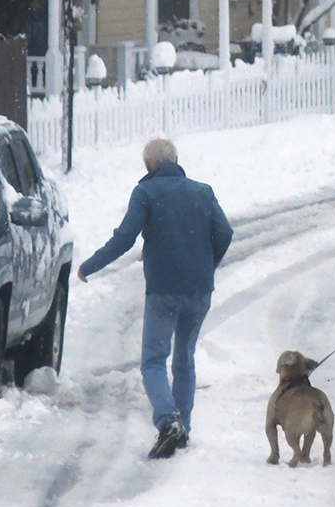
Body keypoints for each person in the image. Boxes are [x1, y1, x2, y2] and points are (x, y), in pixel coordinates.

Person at [80, 136, 234, 459]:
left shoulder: (145, 192)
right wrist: (207, 265)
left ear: (149, 166)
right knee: (184, 359)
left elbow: (124, 239)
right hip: (199, 291)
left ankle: (168, 422)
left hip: (163, 291)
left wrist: (90, 265)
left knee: (153, 361)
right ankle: (184, 429)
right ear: (176, 160)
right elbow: (225, 232)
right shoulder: (202, 191)